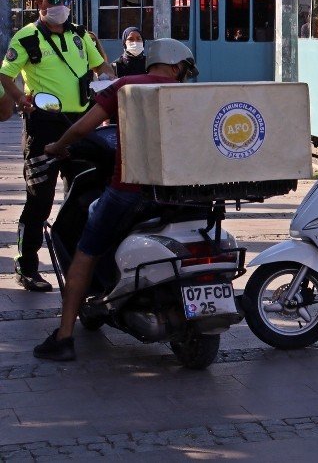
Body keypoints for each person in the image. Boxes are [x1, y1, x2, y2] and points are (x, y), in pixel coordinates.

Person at [33, 39, 199, 361]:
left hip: (130, 193)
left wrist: (57, 146)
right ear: (177, 67)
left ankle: (64, 336)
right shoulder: (190, 96)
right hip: (181, 196)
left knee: (86, 251)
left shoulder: (125, 86)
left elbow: (83, 127)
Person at [0, 0, 114, 292]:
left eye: (66, 1)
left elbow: (102, 67)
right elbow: (5, 75)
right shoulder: (27, 38)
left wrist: (108, 78)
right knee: (40, 201)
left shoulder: (80, 36)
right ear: (40, 3)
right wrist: (22, 99)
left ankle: (81, 264)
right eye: (54, 1)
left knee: (87, 198)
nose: (61, 7)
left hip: (81, 125)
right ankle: (27, 265)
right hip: (44, 128)